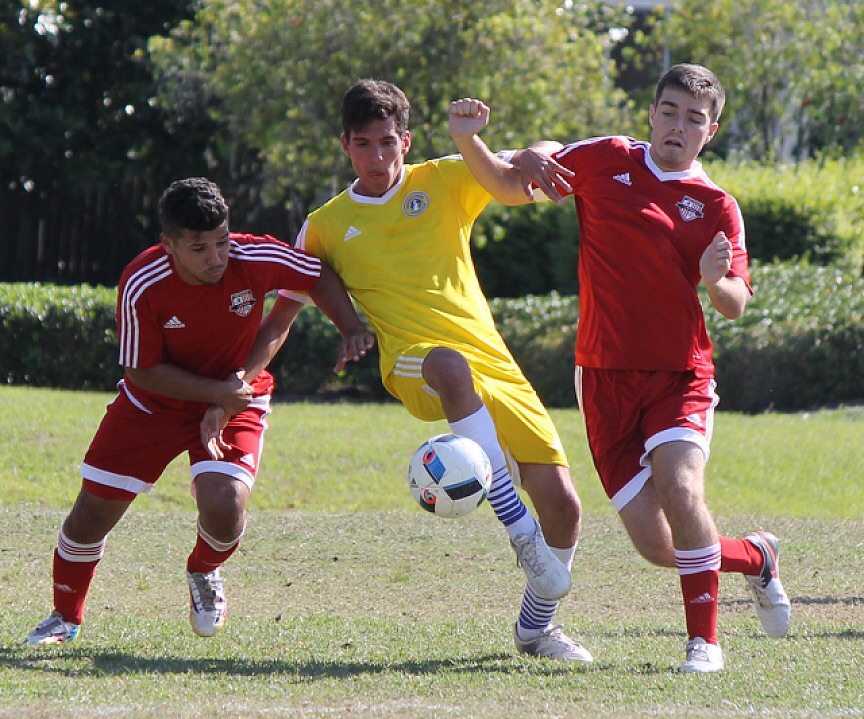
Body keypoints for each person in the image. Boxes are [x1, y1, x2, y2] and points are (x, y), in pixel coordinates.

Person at [448, 63, 791, 673]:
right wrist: (473, 140)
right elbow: (510, 183)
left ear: (710, 131)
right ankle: (756, 557)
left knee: (683, 492)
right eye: (669, 111)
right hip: (603, 380)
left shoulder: (716, 205)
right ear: (651, 114)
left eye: (694, 119)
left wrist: (717, 282)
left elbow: (735, 303)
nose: (677, 126)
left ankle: (703, 644)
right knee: (660, 546)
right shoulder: (607, 160)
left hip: (679, 376)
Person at [273, 78, 592, 662]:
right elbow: (291, 299)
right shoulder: (326, 223)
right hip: (417, 365)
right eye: (363, 144)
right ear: (345, 145)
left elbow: (518, 177)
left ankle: (536, 627)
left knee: (566, 506)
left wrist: (525, 155)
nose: (377, 157)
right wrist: (245, 375)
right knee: (448, 364)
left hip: (492, 363)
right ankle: (517, 529)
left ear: (407, 141)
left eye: (387, 143)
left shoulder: (445, 177)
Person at [24, 177, 373, 645]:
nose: (216, 258)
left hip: (238, 394)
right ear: (168, 245)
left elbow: (318, 274)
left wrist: (350, 327)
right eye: (199, 248)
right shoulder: (141, 282)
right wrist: (217, 394)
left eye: (222, 241)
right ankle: (65, 618)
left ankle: (203, 572)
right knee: (88, 518)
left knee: (225, 506)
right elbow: (142, 370)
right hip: (154, 406)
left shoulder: (255, 256)